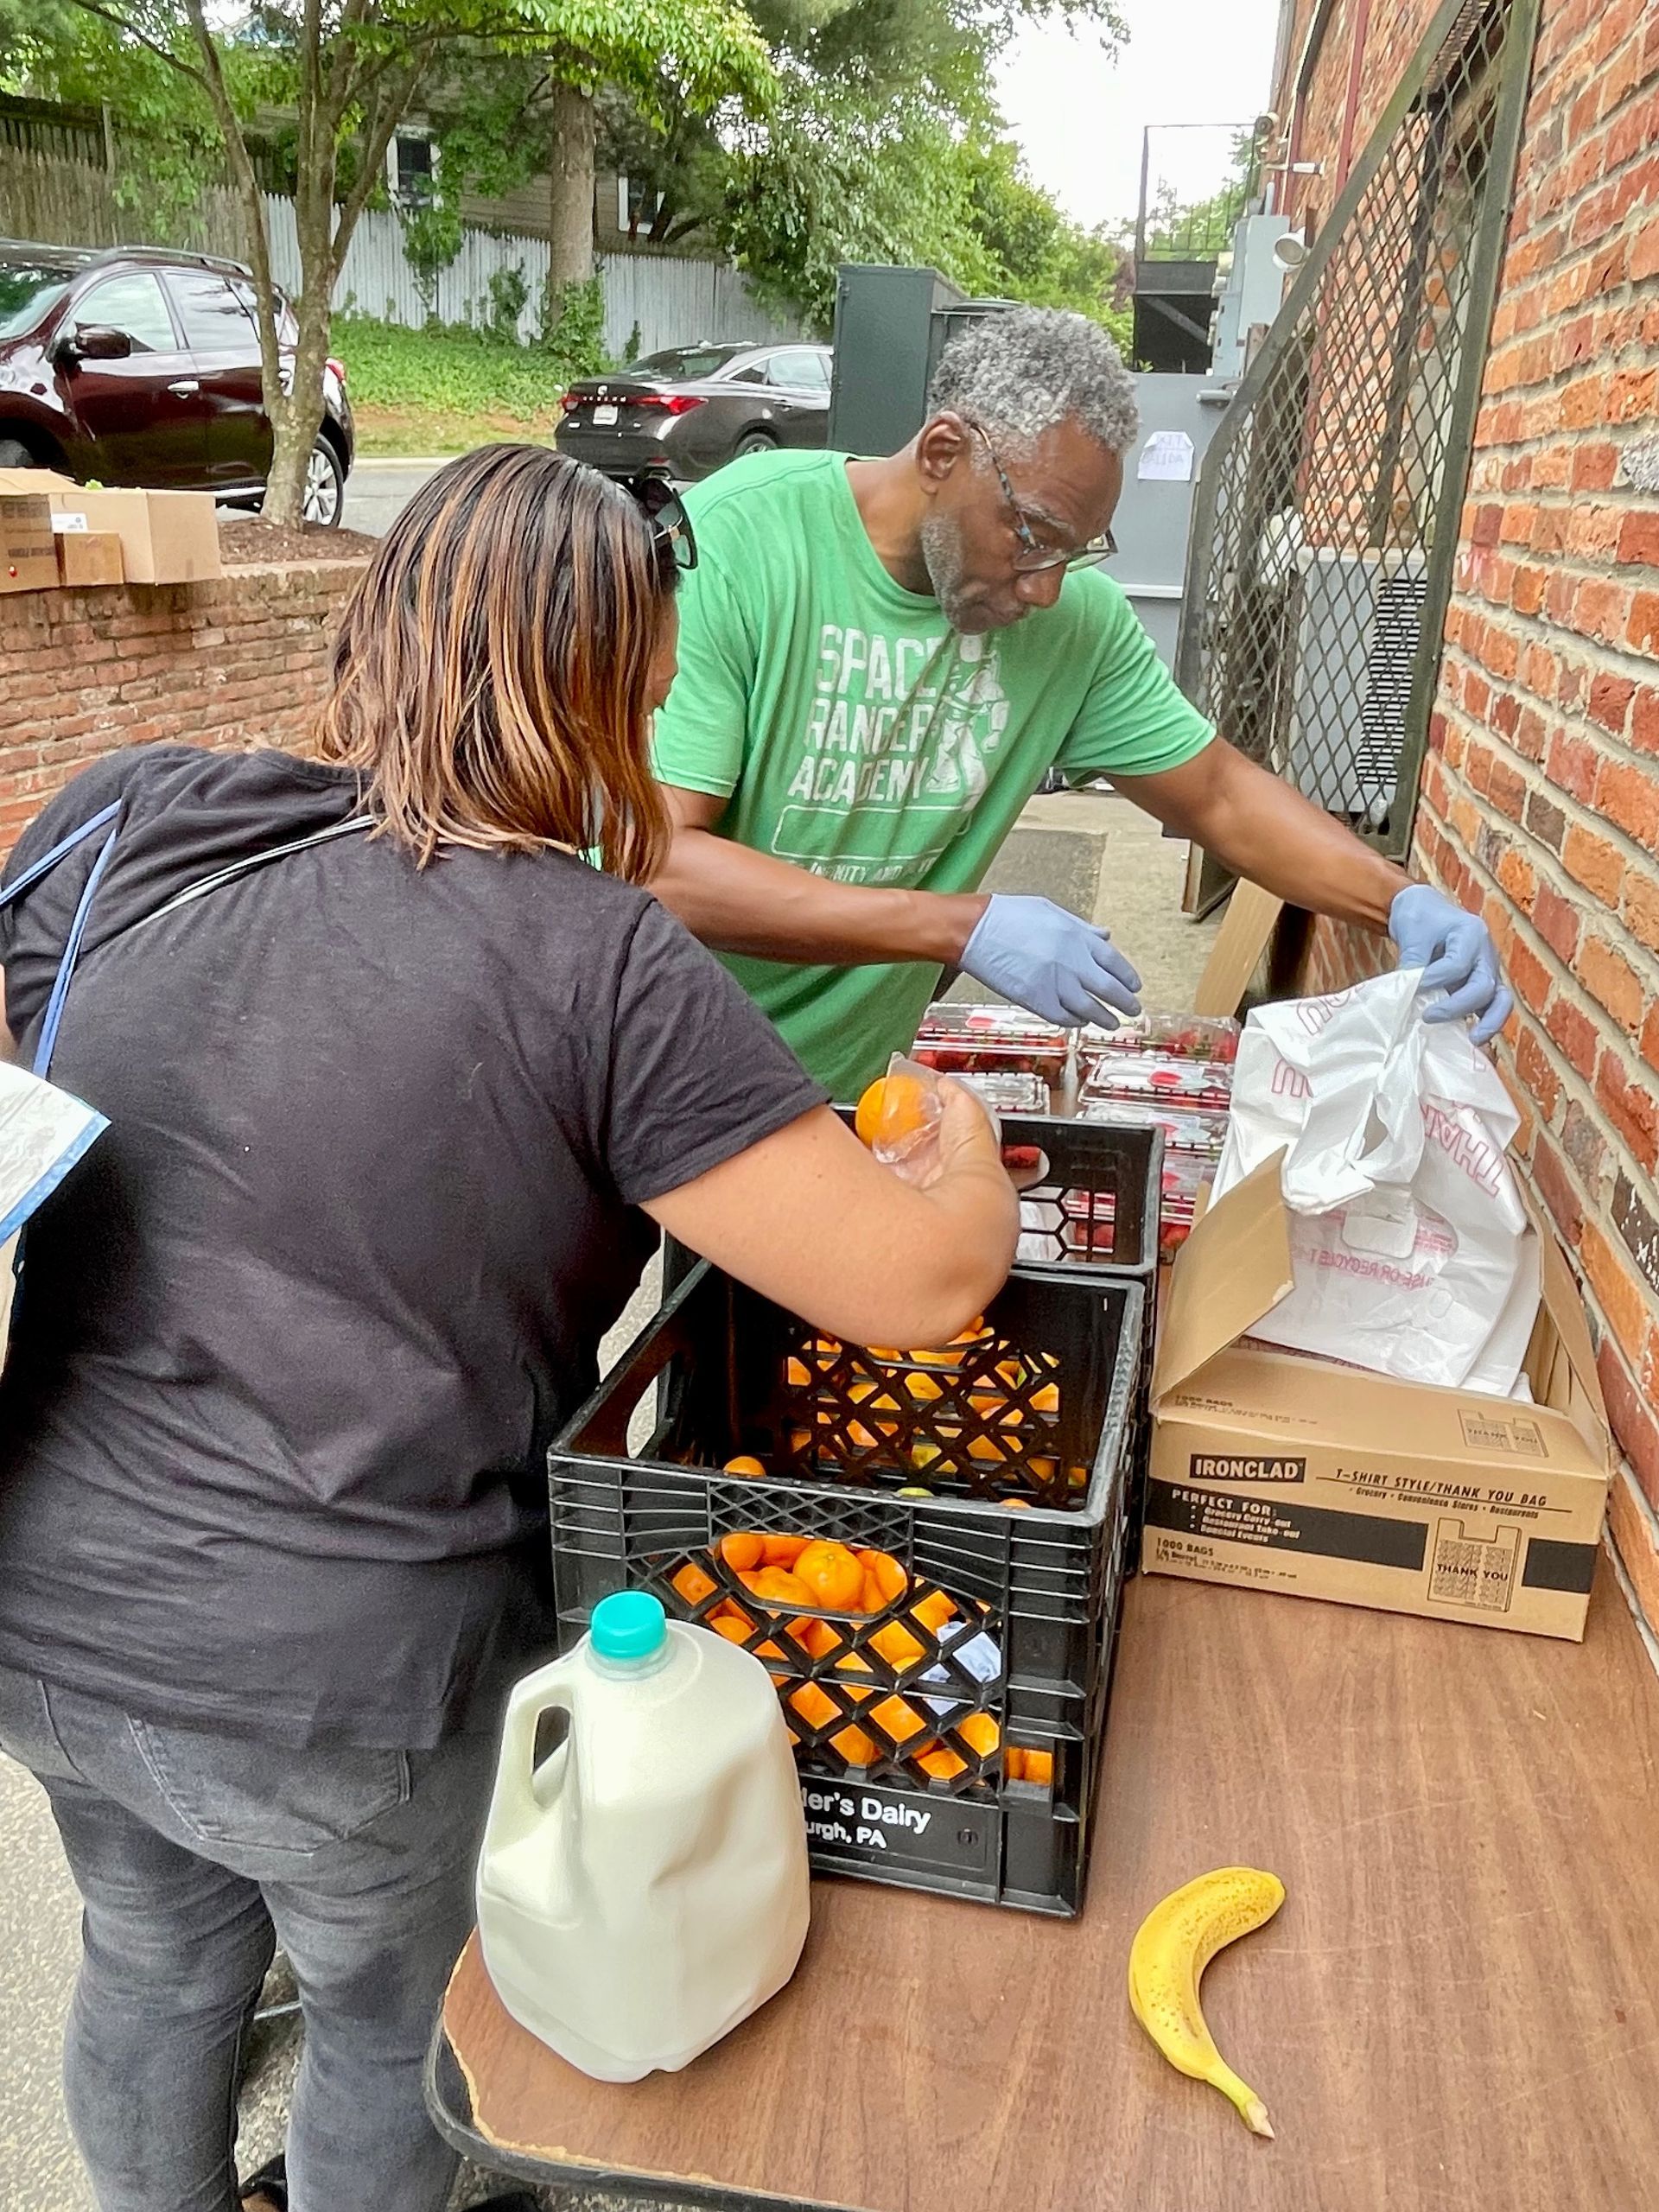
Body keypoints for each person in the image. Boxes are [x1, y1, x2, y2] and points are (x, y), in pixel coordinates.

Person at [0, 445, 1017, 2212]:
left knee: (154, 1958)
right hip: (351, 1677)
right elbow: (919, 1292)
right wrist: (971, 1148)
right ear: (625, 682)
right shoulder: (598, 956)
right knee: (394, 2024)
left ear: (373, 627)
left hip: (49, 1607)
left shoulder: (125, 816)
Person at [649, 307, 1512, 1102]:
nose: (1052, 587)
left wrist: (1398, 901)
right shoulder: (735, 547)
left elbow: (1217, 794)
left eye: (1079, 549)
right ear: (943, 454)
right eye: (1033, 537)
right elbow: (656, 866)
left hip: (841, 1088)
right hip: (662, 1062)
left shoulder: (1076, 628)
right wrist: (959, 926)